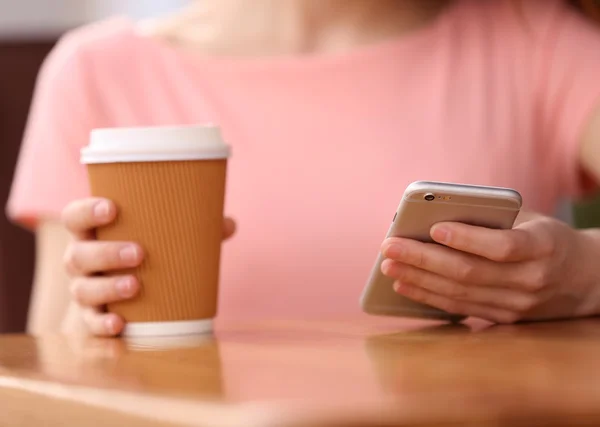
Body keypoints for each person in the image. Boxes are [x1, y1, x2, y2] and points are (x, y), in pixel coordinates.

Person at [7, 0, 600, 336]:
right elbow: (50, 362)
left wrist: (582, 273)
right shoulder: (96, 72)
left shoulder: (534, 39)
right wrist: (92, 326)